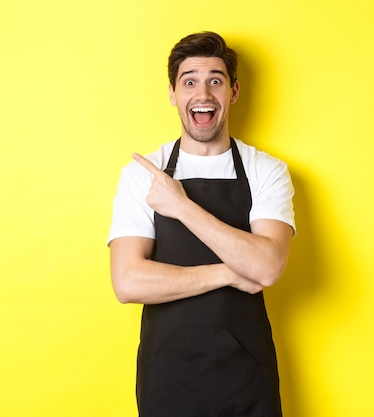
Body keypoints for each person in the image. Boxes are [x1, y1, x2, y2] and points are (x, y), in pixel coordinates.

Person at [108, 31, 295, 417]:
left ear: (234, 91)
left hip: (247, 373)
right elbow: (128, 282)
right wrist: (228, 273)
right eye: (189, 81)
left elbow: (267, 267)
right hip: (167, 374)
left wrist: (181, 206)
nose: (203, 93)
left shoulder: (267, 171)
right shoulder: (143, 173)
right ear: (174, 94)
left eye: (215, 80)